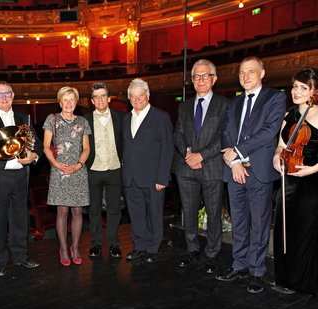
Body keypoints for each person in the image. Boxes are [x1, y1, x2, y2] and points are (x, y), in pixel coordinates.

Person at [218, 56, 286, 293]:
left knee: (259, 223)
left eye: (250, 72)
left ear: (262, 73)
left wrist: (237, 151)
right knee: (239, 221)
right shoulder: (233, 103)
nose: (245, 76)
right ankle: (240, 264)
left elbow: (269, 132)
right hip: (235, 171)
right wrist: (234, 161)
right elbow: (226, 133)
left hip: (259, 172)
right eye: (242, 73)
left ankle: (257, 271)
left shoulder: (275, 98)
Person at [0, 81, 43, 276]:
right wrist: (5, 142)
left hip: (21, 176)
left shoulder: (24, 117)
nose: (4, 97)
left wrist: (33, 156)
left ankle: (21, 257)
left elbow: (37, 144)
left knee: (20, 219)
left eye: (7, 93)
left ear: (13, 95)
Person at [173, 59, 229, 273]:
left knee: (213, 213)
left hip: (212, 167)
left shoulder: (224, 104)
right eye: (196, 76)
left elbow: (225, 137)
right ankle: (192, 250)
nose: (200, 80)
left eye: (205, 75)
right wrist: (187, 152)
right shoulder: (184, 106)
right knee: (188, 212)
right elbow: (177, 134)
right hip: (186, 168)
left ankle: (212, 254)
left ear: (214, 79)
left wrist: (201, 156)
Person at [272, 68, 318, 295]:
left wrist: (312, 169)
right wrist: (276, 158)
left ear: (314, 91)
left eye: (303, 88)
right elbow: (281, 145)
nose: (296, 92)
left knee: (304, 234)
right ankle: (285, 279)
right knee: (284, 231)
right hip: (287, 180)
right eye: (294, 86)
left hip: (311, 183)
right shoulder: (289, 115)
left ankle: (305, 282)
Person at [122, 78, 174, 263]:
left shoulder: (161, 117)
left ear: (148, 96)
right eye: (133, 97)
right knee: (136, 214)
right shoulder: (126, 118)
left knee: (153, 213)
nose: (137, 100)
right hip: (131, 178)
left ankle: (153, 247)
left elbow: (168, 149)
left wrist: (162, 178)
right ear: (129, 98)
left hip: (154, 178)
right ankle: (139, 246)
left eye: (141, 96)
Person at [43, 86, 91, 266]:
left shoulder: (83, 122)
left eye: (72, 99)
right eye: (65, 99)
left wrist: (78, 165)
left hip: (78, 170)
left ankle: (76, 246)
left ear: (76, 102)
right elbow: (46, 146)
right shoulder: (51, 119)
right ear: (60, 102)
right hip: (59, 170)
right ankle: (63, 248)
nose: (69, 103)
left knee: (77, 211)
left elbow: (86, 148)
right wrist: (56, 164)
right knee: (62, 211)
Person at [84, 82, 124, 259]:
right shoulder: (84, 120)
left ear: (109, 98)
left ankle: (114, 244)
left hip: (115, 169)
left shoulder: (121, 117)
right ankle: (96, 244)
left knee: (114, 209)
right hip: (93, 169)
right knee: (94, 210)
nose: (100, 99)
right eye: (96, 96)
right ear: (92, 100)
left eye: (103, 95)